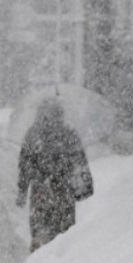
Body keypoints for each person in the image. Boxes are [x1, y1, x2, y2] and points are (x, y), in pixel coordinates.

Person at [16, 98, 93, 252]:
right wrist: (84, 187)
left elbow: (25, 165)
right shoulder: (69, 133)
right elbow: (79, 162)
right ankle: (62, 259)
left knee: (40, 230)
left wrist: (23, 190)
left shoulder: (33, 134)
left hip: (40, 191)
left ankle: (39, 258)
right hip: (64, 191)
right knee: (65, 233)